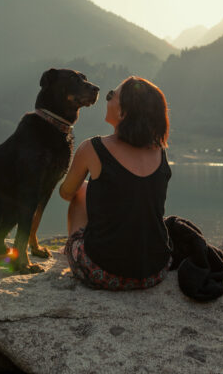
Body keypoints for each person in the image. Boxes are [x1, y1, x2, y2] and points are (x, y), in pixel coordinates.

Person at [59, 76, 172, 290]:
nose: (106, 99)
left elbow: (66, 193)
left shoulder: (93, 148)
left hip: (102, 272)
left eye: (111, 95)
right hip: (155, 272)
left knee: (81, 190)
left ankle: (72, 250)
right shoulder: (160, 151)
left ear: (123, 113)